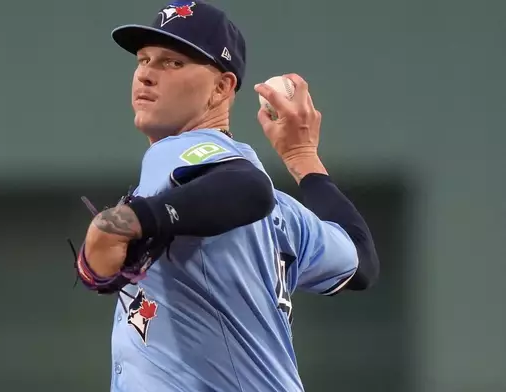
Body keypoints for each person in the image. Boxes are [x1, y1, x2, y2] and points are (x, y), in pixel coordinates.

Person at [75, 1, 380, 391]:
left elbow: (247, 187)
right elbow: (362, 261)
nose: (146, 75)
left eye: (172, 63)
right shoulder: (283, 213)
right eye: (143, 59)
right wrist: (303, 159)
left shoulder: (178, 155)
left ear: (222, 87)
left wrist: (135, 219)